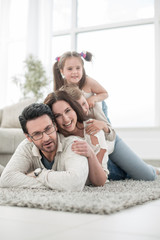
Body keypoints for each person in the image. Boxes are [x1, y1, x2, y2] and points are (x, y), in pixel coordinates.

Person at [44, 89, 160, 181]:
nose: (85, 109)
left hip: (111, 142)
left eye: (68, 111)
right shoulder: (57, 134)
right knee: (112, 172)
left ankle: (151, 169)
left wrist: (103, 126)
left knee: (147, 176)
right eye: (58, 115)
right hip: (99, 153)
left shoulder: (92, 112)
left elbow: (110, 134)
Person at [0, 103, 107, 190]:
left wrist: (39, 174)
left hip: (107, 167)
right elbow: (6, 179)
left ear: (55, 126)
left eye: (48, 129)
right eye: (37, 134)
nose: (46, 138)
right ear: (28, 137)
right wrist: (56, 184)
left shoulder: (74, 144)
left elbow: (74, 183)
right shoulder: (26, 146)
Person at [53, 50, 109, 115]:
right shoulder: (62, 85)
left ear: (82, 68)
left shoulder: (88, 81)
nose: (74, 72)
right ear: (62, 71)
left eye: (78, 68)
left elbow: (105, 93)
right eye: (70, 69)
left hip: (97, 111)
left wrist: (93, 98)